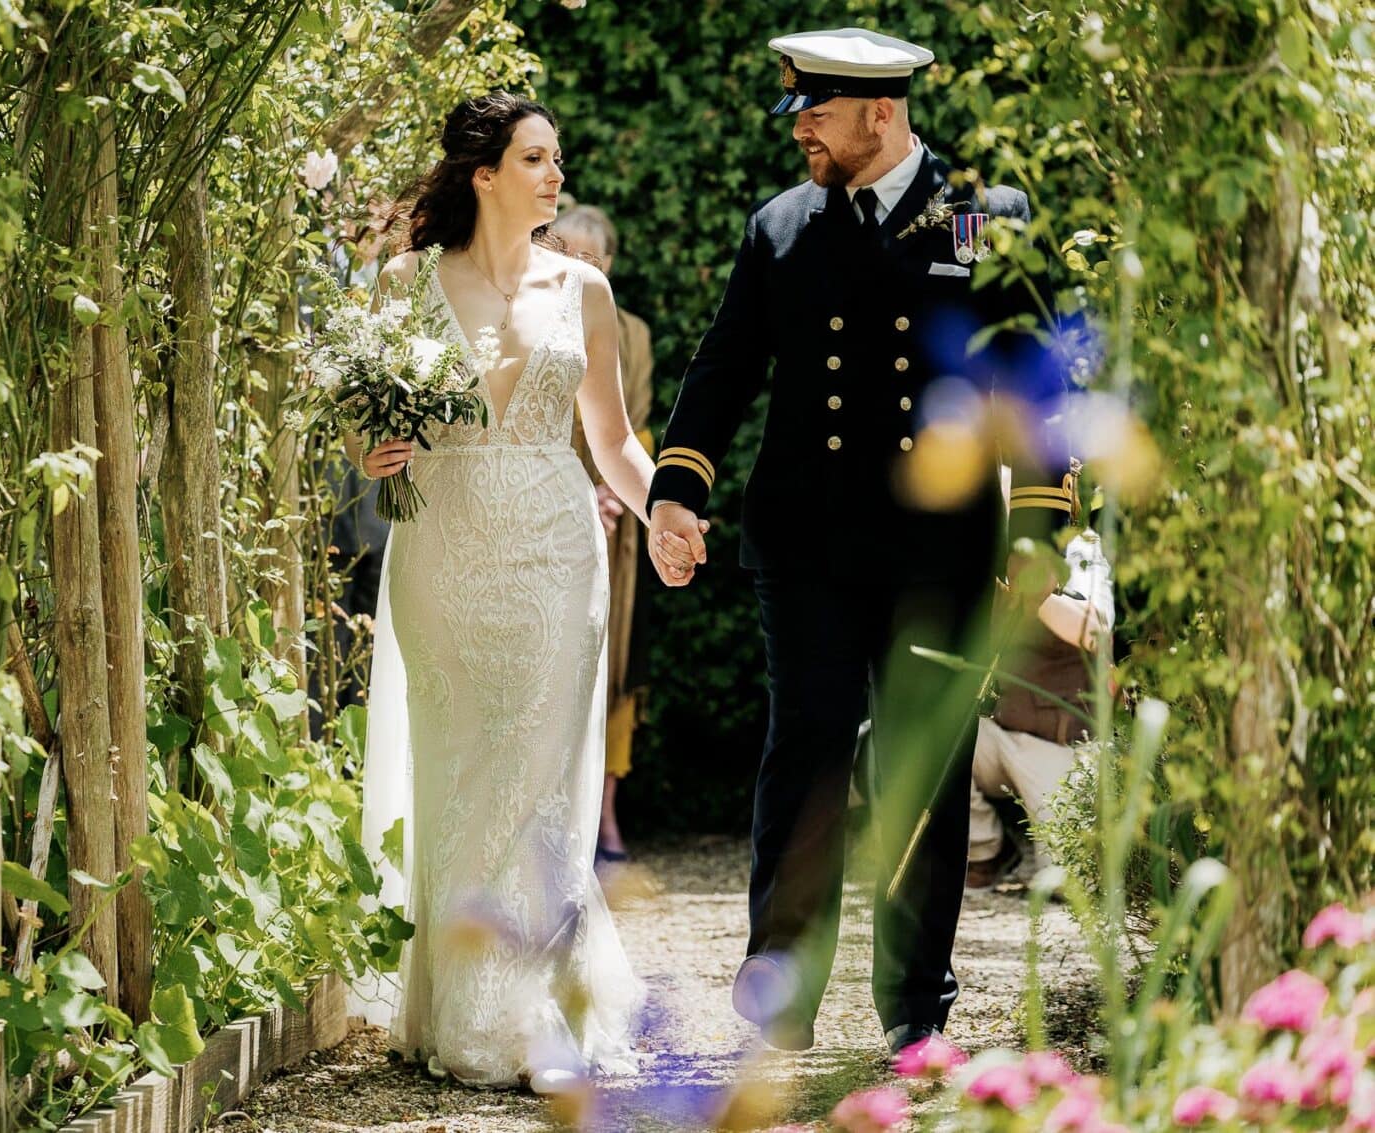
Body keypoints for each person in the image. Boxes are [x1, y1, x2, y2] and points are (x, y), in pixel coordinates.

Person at [644, 28, 1076, 1057]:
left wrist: (1037, 536)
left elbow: (1042, 384)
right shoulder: (782, 225)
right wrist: (675, 489)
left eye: (816, 114)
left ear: (878, 114)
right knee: (804, 758)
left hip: (938, 554)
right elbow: (721, 366)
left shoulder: (984, 219)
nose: (800, 130)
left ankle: (911, 1009)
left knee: (922, 772)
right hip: (805, 547)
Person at [347, 92, 701, 1094]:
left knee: (543, 781)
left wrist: (662, 515)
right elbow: (365, 422)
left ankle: (546, 1012)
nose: (554, 174)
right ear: (482, 173)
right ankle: (457, 1003)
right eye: (535, 158)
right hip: (442, 552)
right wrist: (368, 453)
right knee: (460, 768)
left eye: (555, 158)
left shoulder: (582, 289)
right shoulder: (406, 284)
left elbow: (616, 442)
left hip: (555, 553)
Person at [554, 202, 656, 866]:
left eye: (591, 258)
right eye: (567, 251)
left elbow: (632, 421)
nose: (579, 267)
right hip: (551, 493)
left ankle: (607, 812)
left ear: (610, 265)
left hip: (616, 516)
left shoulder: (633, 332)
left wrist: (619, 496)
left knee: (618, 659)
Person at [967, 499, 1113, 888]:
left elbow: (1094, 631)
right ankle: (987, 849)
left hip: (1059, 746)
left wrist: (1037, 594)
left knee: (1069, 884)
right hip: (999, 735)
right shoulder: (989, 543)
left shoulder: (1081, 548)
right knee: (921, 742)